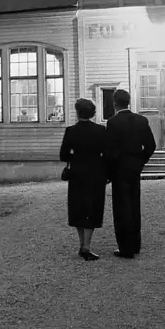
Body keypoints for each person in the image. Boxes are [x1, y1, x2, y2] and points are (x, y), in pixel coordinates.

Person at [105, 87, 156, 258]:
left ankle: (125, 248)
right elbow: (150, 146)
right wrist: (140, 161)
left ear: (115, 103)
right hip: (135, 168)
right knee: (134, 206)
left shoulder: (112, 123)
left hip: (119, 169)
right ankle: (135, 244)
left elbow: (109, 151)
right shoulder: (141, 120)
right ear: (129, 102)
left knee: (121, 209)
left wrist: (109, 171)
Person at [59, 98, 109, 260]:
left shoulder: (71, 131)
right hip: (96, 173)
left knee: (78, 207)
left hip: (77, 174)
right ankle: (86, 246)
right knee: (92, 208)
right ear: (93, 113)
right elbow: (106, 154)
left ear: (77, 112)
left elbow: (63, 155)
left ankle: (82, 244)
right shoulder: (101, 130)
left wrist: (74, 154)